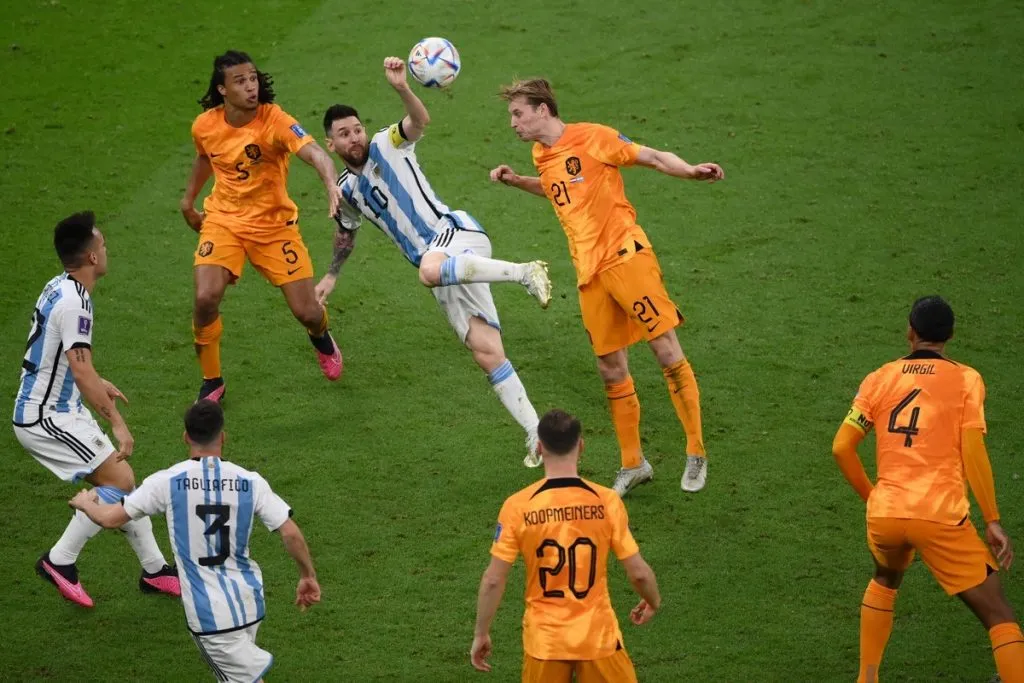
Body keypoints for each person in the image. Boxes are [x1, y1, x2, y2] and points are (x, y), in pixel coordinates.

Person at [491, 78, 724, 494]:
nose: (513, 123)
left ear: (543, 109)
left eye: (518, 113)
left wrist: (690, 170)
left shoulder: (593, 137)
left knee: (665, 349)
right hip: (589, 273)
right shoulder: (541, 154)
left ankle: (695, 450)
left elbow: (649, 156)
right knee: (609, 368)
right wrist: (517, 181)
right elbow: (555, 190)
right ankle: (634, 464)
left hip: (626, 256)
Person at [317, 57, 552, 465]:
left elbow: (419, 122)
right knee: (486, 351)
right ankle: (535, 431)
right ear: (330, 145)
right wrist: (332, 275)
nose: (354, 137)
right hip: (446, 268)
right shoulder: (345, 189)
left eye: (356, 129)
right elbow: (347, 232)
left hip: (453, 234)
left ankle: (524, 273)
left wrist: (401, 87)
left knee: (427, 270)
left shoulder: (386, 143)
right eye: (344, 134)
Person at [832, 296, 1024, 682]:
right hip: (940, 515)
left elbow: (841, 446)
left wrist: (874, 499)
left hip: (887, 514)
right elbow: (973, 449)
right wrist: (992, 519)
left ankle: (866, 678)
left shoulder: (880, 377)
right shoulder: (967, 379)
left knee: (885, 578)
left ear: (910, 332)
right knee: (999, 616)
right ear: (950, 336)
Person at [70, 399, 320, 683]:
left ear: (186, 436)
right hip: (250, 602)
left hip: (211, 617)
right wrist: (307, 575)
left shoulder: (165, 482)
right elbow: (290, 532)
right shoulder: (251, 481)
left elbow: (109, 518)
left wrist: (86, 503)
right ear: (223, 437)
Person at [13, 211, 180, 607]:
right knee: (119, 480)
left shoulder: (60, 287)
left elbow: (54, 353)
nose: (106, 250)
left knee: (122, 483)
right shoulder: (76, 303)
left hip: (56, 404)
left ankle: (155, 570)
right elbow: (80, 367)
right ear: (90, 258)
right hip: (46, 416)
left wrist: (92, 379)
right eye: (102, 245)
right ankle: (60, 561)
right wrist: (118, 424)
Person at [180, 50, 344, 403]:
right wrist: (188, 201)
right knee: (205, 297)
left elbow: (316, 153)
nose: (251, 86)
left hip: (274, 227)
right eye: (240, 81)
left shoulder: (275, 121)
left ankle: (322, 337)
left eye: (253, 78)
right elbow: (205, 156)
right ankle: (212, 380)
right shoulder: (205, 125)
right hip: (223, 221)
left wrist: (330, 182)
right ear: (222, 89)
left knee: (307, 312)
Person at [470, 409, 661, 681]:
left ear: (539, 447)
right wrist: (652, 601)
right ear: (581, 446)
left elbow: (492, 580)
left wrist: (481, 633)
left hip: (545, 642)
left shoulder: (518, 506)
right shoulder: (606, 501)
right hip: (598, 639)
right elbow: (638, 573)